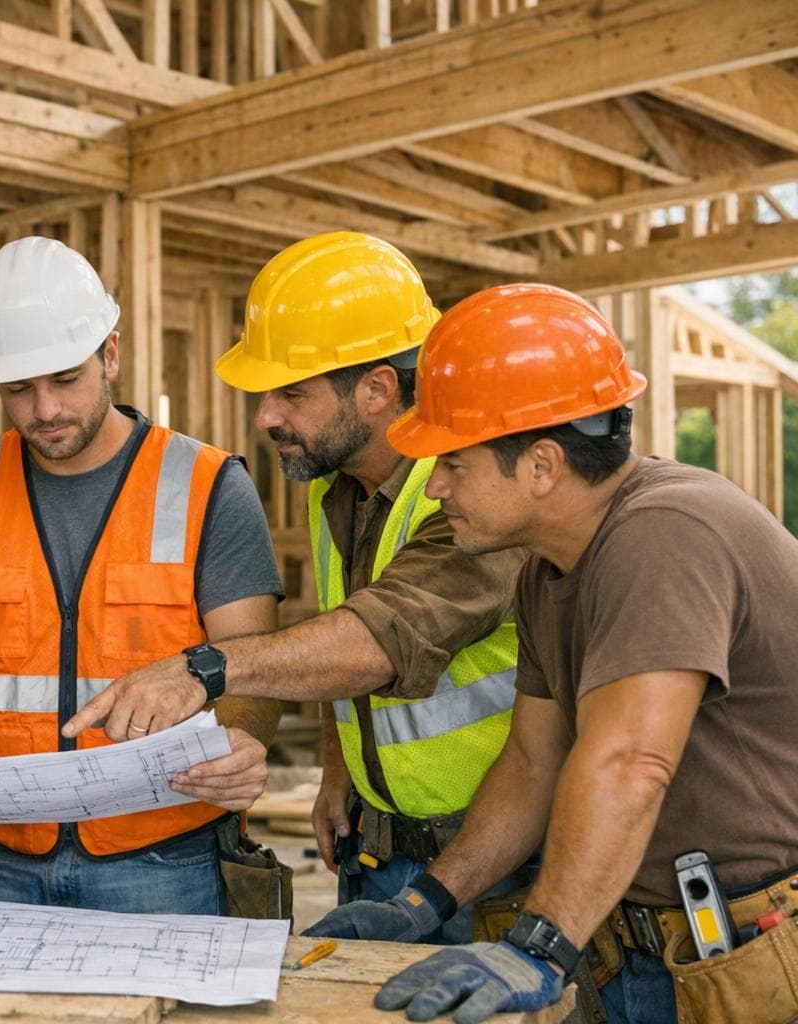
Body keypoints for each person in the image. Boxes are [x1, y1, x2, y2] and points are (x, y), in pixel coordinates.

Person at [311, 283, 798, 1024]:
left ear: (541, 466)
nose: (435, 485)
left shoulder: (664, 534)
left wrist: (537, 946)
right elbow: (534, 762)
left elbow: (631, 762)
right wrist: (424, 901)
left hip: (741, 953)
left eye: (454, 463)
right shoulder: (550, 568)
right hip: (641, 946)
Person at [64, 232, 527, 943]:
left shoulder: (475, 494)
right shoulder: (334, 488)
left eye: (292, 393)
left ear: (377, 389)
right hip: (378, 848)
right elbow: (341, 626)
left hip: (493, 865)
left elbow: (379, 638)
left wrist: (206, 667)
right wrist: (338, 769)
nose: (265, 417)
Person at [0, 236, 285, 915]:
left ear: (110, 352)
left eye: (65, 379)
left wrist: (243, 740)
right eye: (18, 389)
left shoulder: (207, 485)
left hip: (165, 854)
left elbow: (252, 667)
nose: (44, 409)